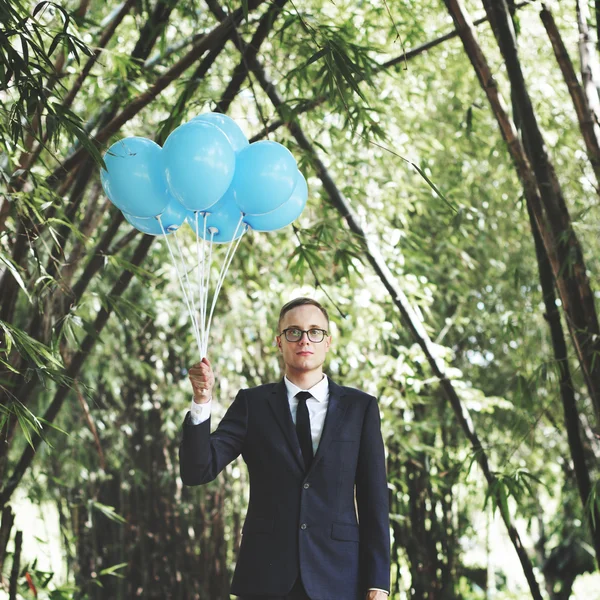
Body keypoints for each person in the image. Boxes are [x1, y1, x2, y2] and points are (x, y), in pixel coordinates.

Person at [179, 297, 390, 600]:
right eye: (293, 332)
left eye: (314, 331)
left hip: (339, 576)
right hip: (267, 578)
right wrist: (201, 400)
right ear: (279, 342)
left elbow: (374, 500)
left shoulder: (360, 408)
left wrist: (378, 582)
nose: (304, 339)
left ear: (328, 342)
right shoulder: (252, 404)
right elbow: (197, 470)